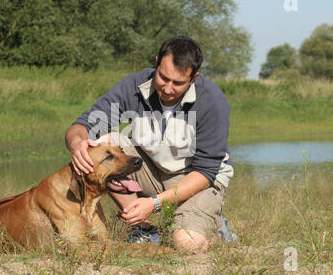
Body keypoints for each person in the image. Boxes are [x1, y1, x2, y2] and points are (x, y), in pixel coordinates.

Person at [65, 36, 235, 253]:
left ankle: (220, 232)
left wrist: (154, 203)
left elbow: (205, 171)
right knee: (103, 143)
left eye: (178, 83)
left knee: (186, 244)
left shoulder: (212, 102)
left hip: (196, 180)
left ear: (194, 78)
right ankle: (142, 228)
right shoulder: (134, 85)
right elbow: (84, 124)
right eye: (163, 77)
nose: (168, 88)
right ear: (156, 62)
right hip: (152, 170)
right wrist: (77, 143)